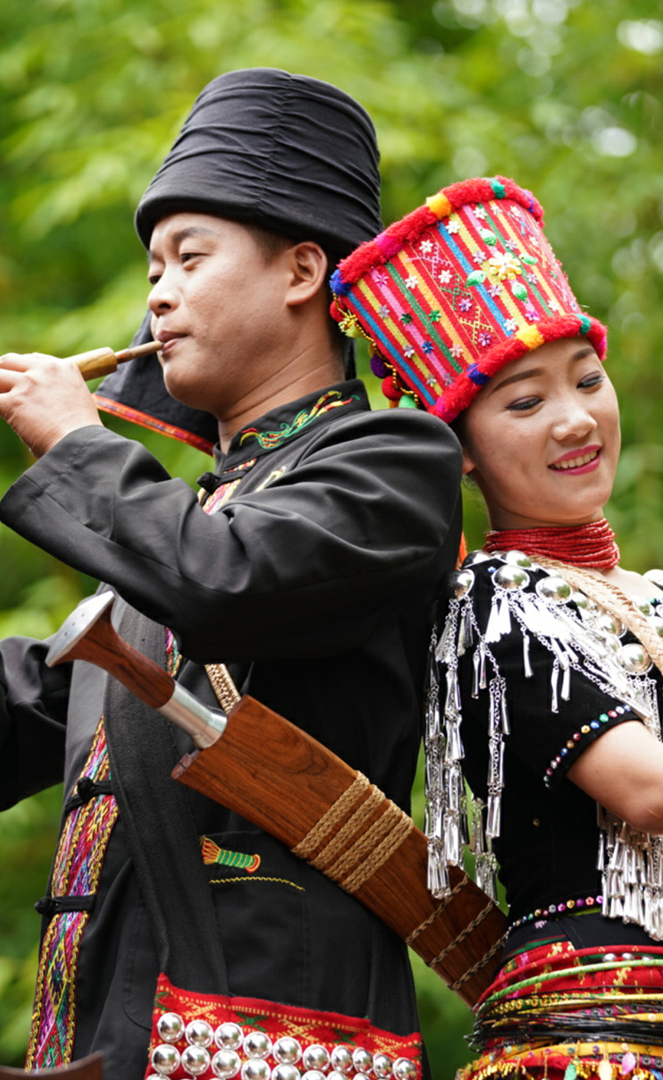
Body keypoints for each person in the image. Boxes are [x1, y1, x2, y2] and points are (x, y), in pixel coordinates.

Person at [0, 70, 463, 1077]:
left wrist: (77, 444)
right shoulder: (182, 529)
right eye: (152, 267)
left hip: (274, 1035)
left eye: (189, 256)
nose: (157, 292)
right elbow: (31, 699)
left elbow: (227, 583)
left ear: (302, 271)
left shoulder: (394, 464)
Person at [330, 175, 663, 1080]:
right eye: (525, 403)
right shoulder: (494, 604)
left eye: (588, 380)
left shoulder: (650, 597)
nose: (575, 419)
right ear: (463, 452)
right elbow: (644, 788)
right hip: (595, 1038)